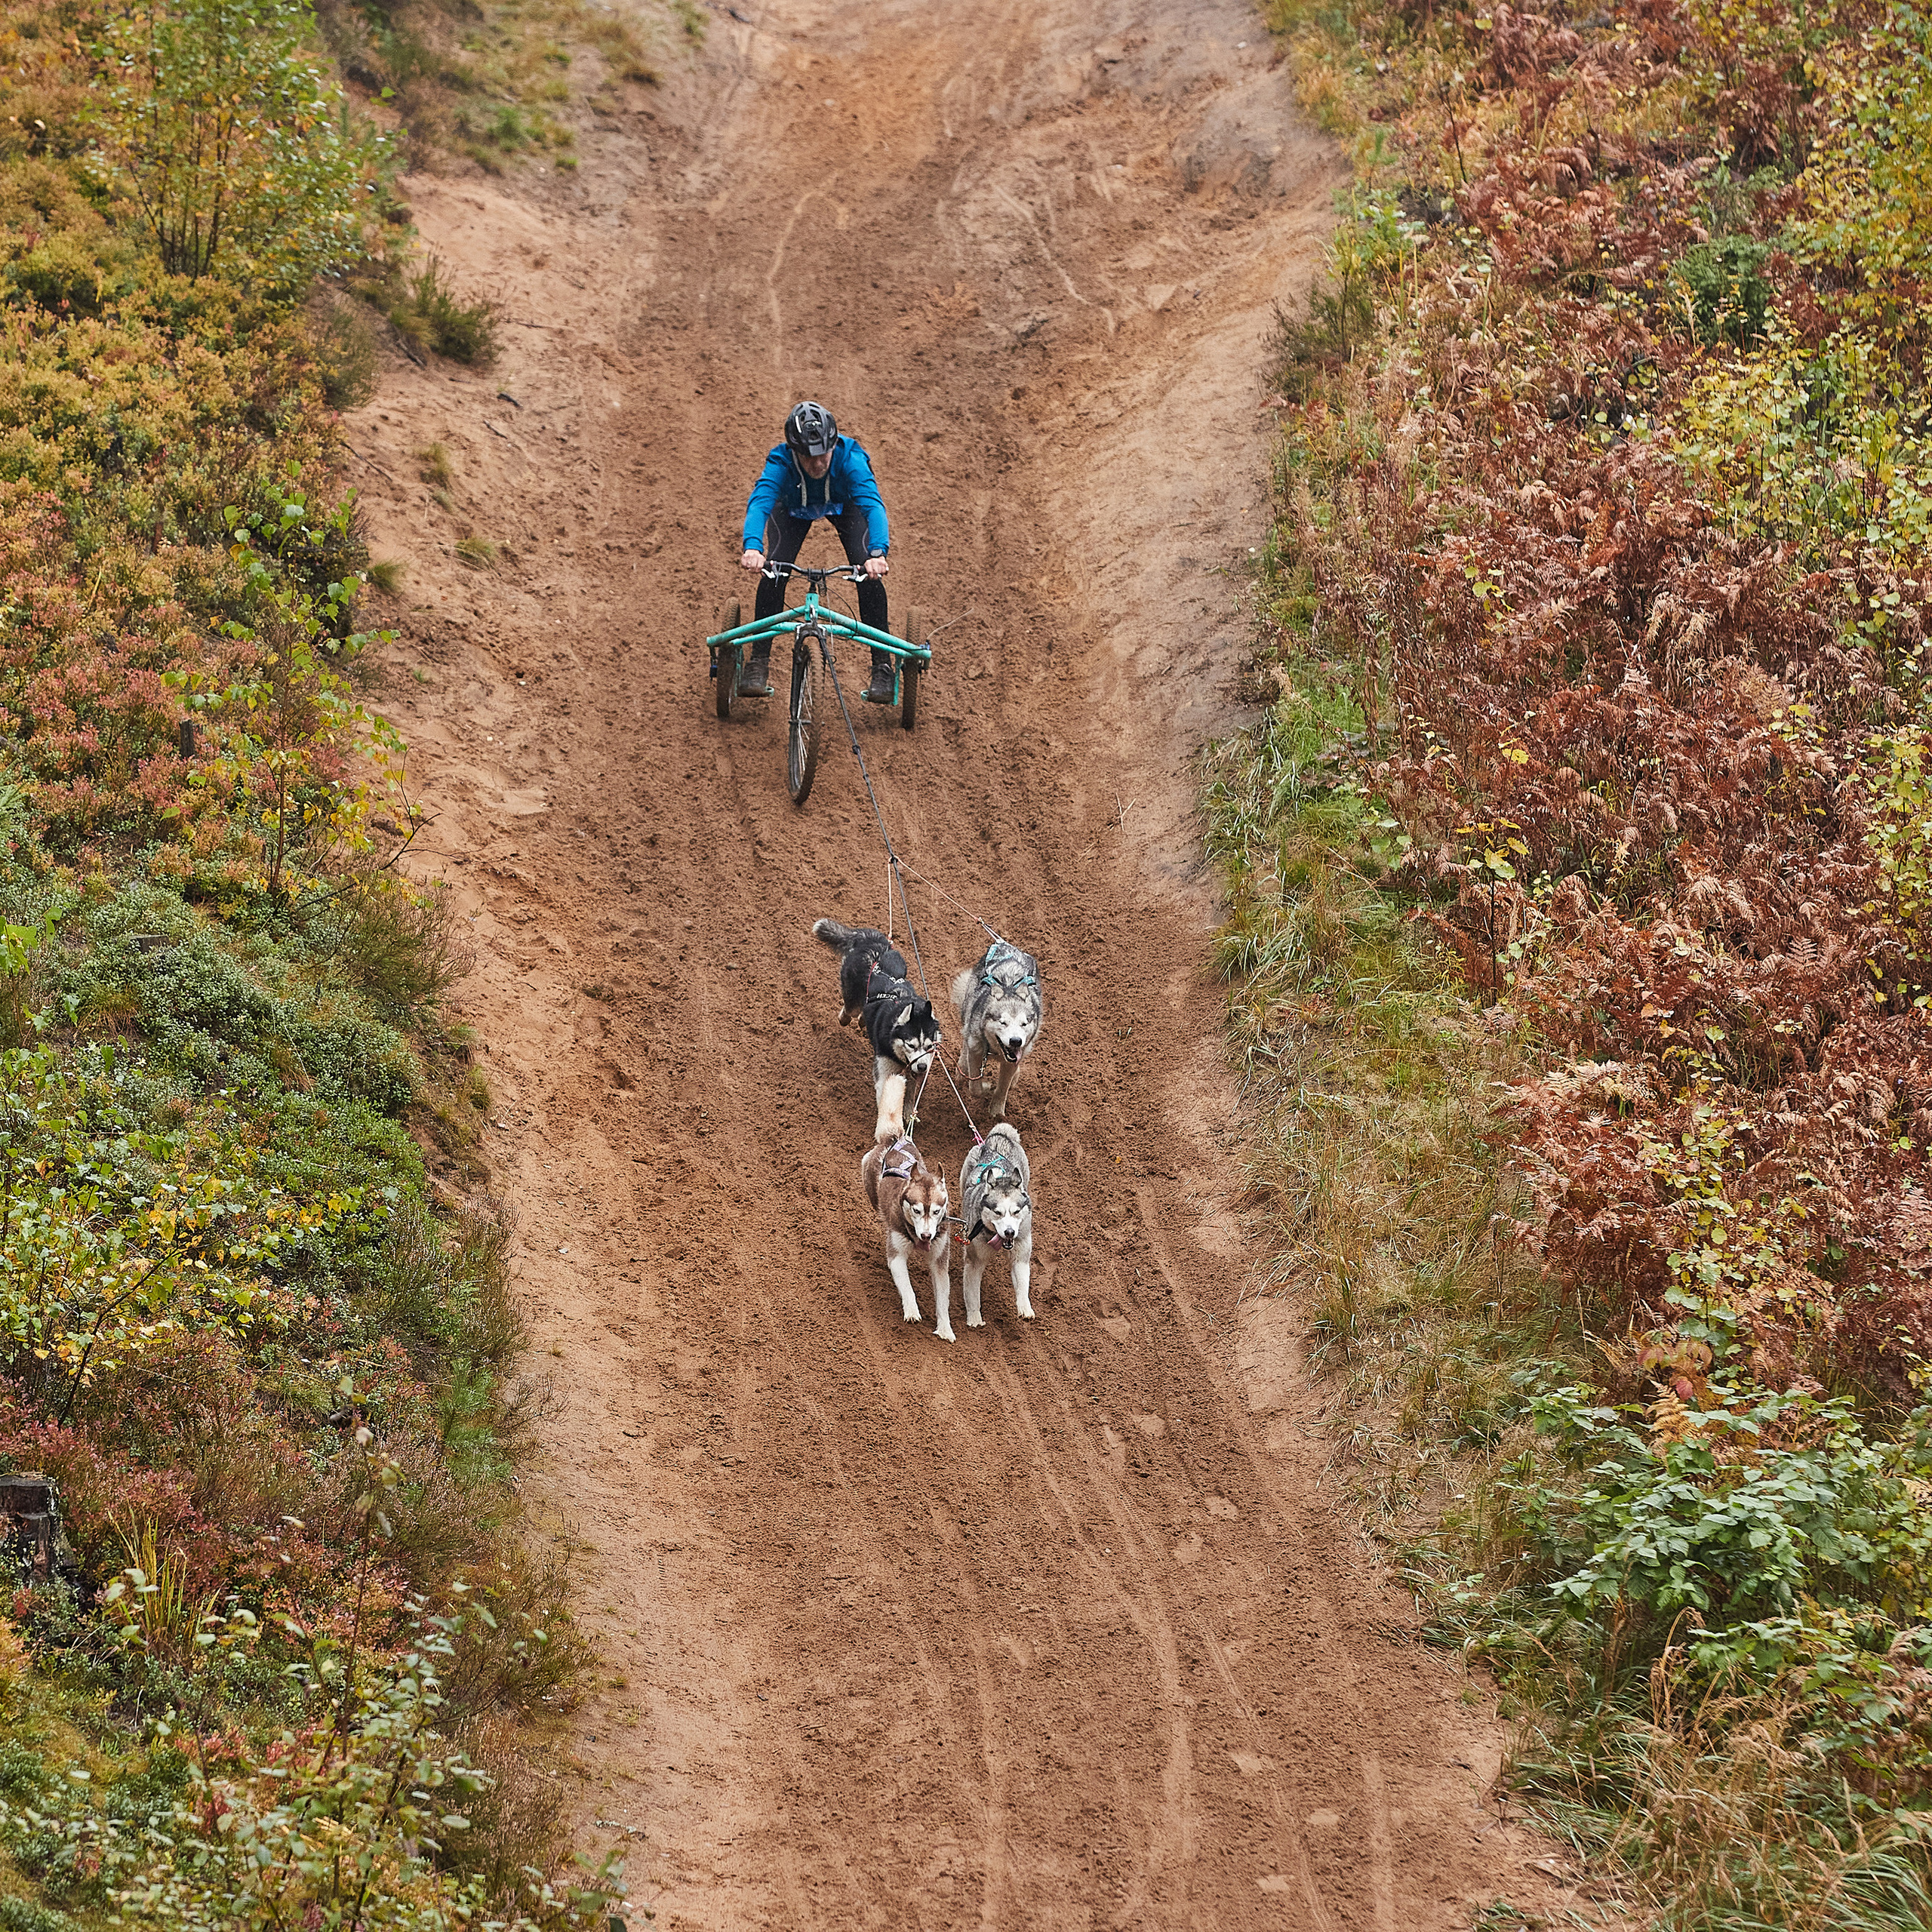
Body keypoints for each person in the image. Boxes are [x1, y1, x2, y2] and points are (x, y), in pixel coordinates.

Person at [739, 401, 896, 703]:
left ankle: (883, 667)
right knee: (775, 570)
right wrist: (753, 548)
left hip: (845, 506)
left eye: (824, 452)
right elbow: (760, 503)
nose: (818, 463)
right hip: (793, 508)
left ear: (833, 443)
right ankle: (758, 662)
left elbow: (873, 505)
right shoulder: (781, 462)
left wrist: (877, 553)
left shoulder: (849, 458)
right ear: (794, 450)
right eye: (808, 457)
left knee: (868, 575)